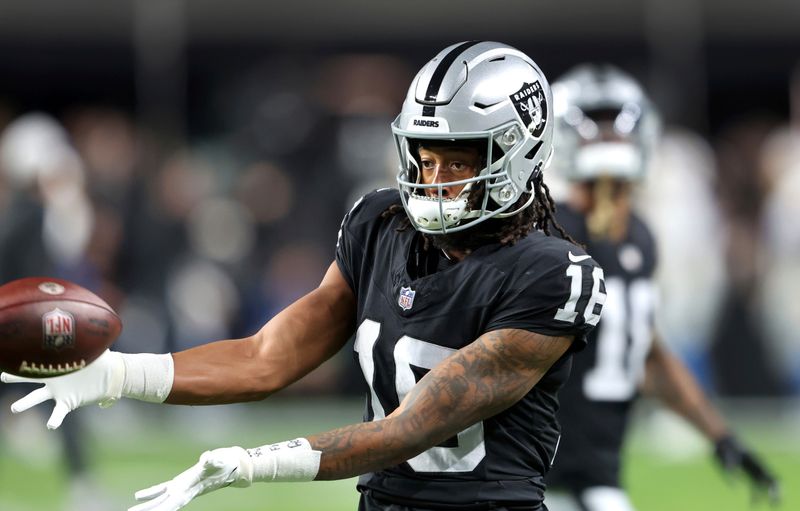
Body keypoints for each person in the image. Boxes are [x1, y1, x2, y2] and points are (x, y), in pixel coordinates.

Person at [2, 41, 607, 511]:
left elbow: (412, 427)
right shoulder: (380, 225)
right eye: (425, 155)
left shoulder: (551, 273)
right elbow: (268, 356)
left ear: (519, 152)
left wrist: (253, 463)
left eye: (458, 159)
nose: (434, 176)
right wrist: (117, 373)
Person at [543, 63, 780, 511]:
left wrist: (720, 436)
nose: (609, 139)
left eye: (617, 125)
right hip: (533, 476)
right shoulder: (546, 235)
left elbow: (645, 353)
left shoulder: (637, 236)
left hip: (595, 475)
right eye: (596, 127)